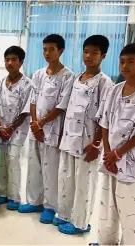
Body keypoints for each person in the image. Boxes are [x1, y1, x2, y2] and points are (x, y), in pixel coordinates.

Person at [97, 43, 135, 245]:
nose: (125, 66)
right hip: (110, 160)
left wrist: (118, 153)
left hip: (133, 162)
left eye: (130, 62)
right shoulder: (114, 90)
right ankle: (107, 241)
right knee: (108, 207)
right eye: (122, 62)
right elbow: (104, 122)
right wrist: (108, 154)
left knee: (130, 212)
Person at [55, 35, 114, 234]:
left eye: (94, 53)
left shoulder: (105, 83)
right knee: (66, 178)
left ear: (103, 55)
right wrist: (62, 135)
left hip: (88, 141)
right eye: (86, 51)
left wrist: (96, 143)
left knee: (84, 183)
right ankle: (63, 214)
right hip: (69, 138)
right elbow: (68, 108)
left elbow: (104, 116)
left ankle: (80, 223)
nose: (88, 56)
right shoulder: (76, 78)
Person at [18, 34, 75, 225]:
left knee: (51, 169)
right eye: (45, 49)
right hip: (36, 129)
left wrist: (41, 123)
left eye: (51, 49)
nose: (47, 53)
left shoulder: (68, 76)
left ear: (60, 51)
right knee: (34, 166)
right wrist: (35, 124)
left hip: (53, 129)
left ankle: (51, 206)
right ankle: (34, 201)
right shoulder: (39, 74)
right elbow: (33, 100)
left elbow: (62, 105)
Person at [0, 46, 32, 209]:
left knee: (13, 159)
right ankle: (1, 192)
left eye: (14, 60)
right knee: (0, 160)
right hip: (0, 128)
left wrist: (10, 128)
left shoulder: (27, 84)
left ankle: (14, 197)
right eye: (7, 60)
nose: (10, 63)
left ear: (21, 62)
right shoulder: (0, 83)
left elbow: (25, 111)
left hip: (18, 129)